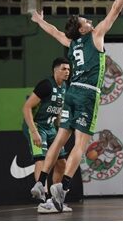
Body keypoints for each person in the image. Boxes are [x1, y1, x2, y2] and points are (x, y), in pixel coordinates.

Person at [29, 0, 123, 212]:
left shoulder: (70, 42)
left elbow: (54, 32)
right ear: (82, 28)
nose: (90, 21)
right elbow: (116, 9)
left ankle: (41, 181)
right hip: (87, 94)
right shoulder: (95, 36)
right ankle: (62, 186)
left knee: (60, 139)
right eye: (86, 20)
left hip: (71, 92)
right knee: (80, 144)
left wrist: (38, 21)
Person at [23, 57, 73, 213]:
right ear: (55, 70)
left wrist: (60, 130)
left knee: (62, 164)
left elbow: (57, 111)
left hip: (52, 128)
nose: (67, 72)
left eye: (69, 69)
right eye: (64, 69)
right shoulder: (45, 85)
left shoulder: (65, 86)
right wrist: (34, 131)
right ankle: (43, 200)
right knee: (41, 160)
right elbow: (26, 108)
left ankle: (55, 200)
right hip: (38, 127)